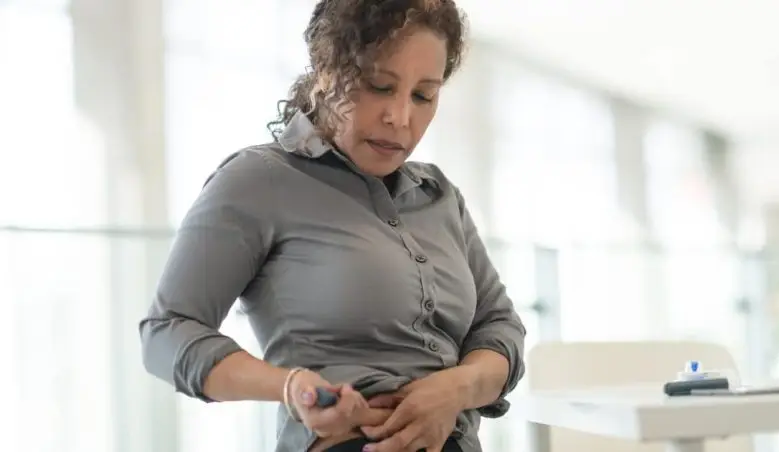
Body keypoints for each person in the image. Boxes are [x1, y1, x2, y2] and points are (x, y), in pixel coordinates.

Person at [138, 0, 526, 451]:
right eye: (380, 86)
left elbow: (500, 328)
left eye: (423, 95)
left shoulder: (439, 196)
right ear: (326, 69)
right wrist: (290, 387)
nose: (400, 118)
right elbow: (167, 330)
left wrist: (453, 391)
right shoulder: (259, 181)